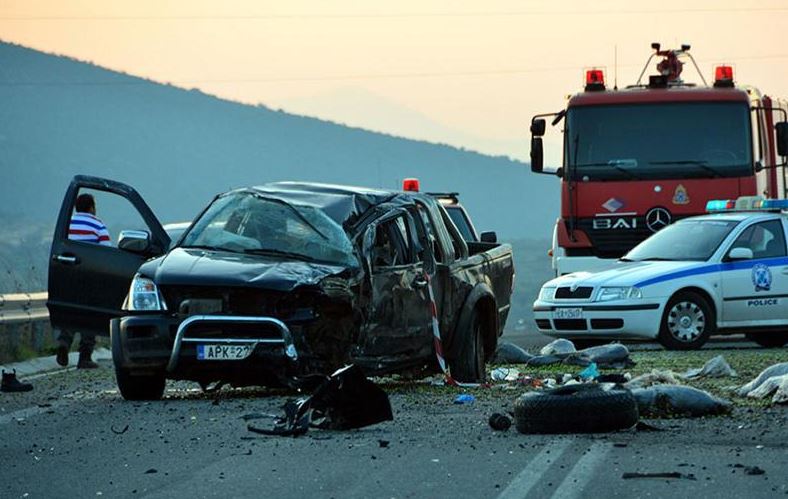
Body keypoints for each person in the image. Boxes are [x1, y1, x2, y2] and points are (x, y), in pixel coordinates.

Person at [57, 193, 110, 369]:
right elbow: (106, 253)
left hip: (68, 273)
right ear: (92, 207)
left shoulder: (67, 223)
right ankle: (84, 357)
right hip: (90, 275)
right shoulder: (98, 224)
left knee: (71, 311)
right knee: (89, 315)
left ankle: (64, 342)